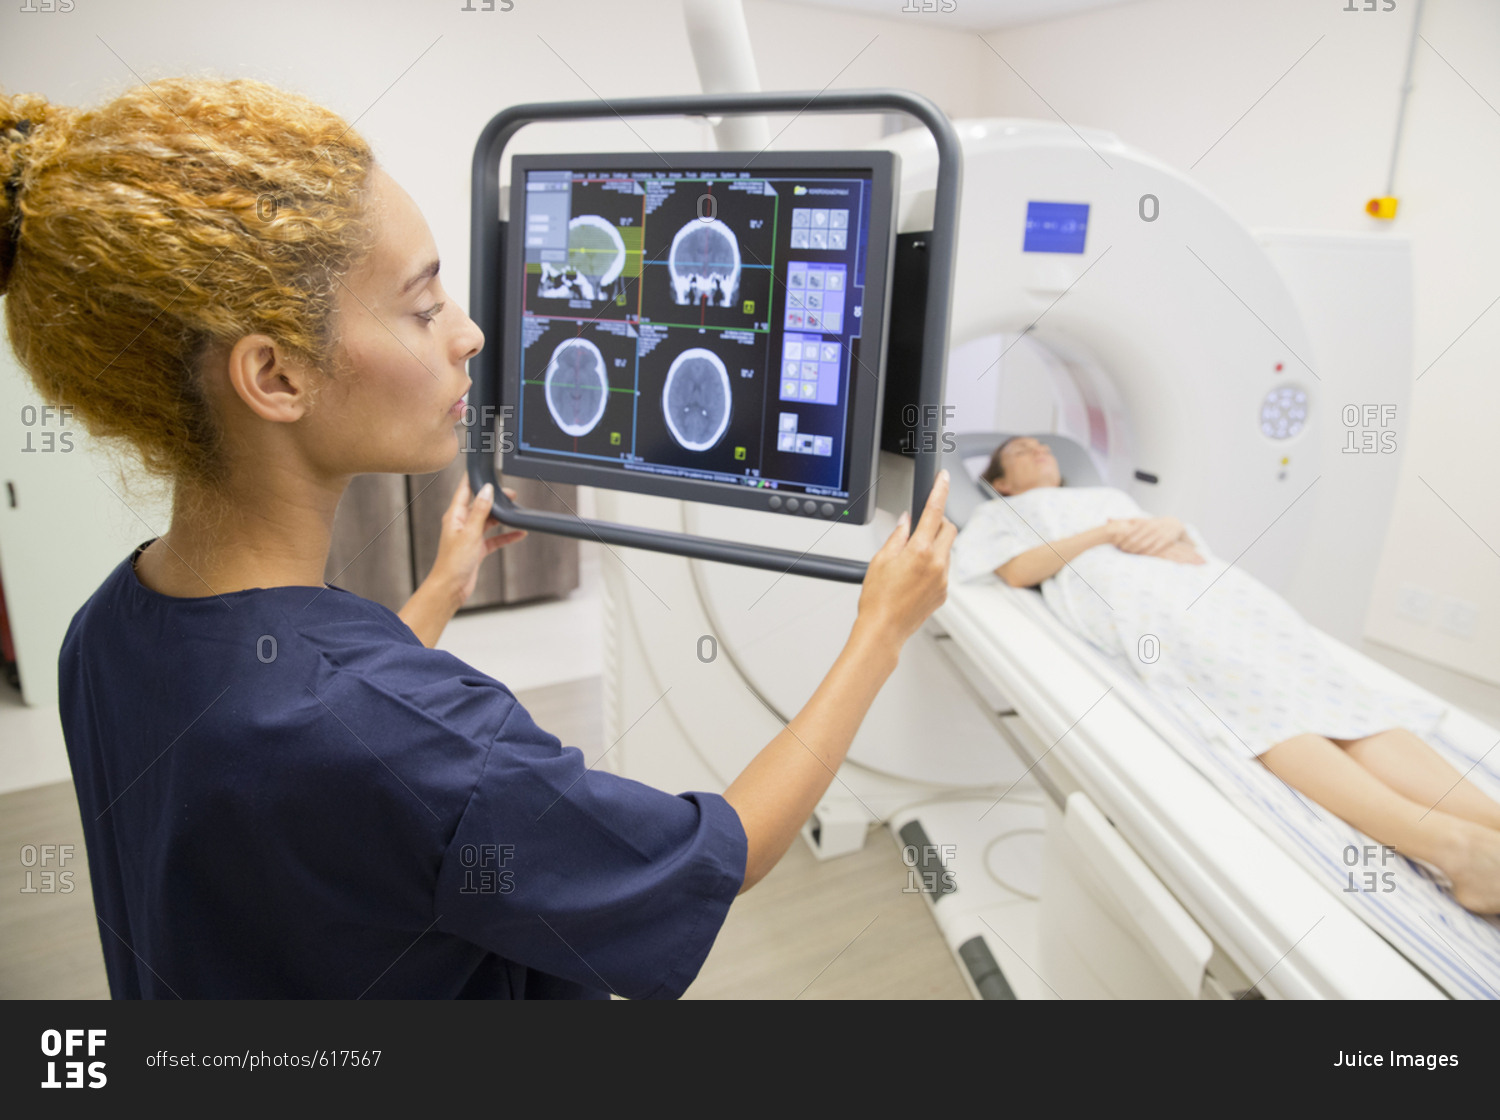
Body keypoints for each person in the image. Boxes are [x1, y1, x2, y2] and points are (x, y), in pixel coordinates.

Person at [0, 79, 957, 998]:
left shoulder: (104, 633)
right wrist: (881, 629)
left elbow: (307, 758)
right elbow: (729, 851)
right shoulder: (435, 748)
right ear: (276, 378)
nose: (471, 335)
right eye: (422, 308)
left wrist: (444, 586)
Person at [951, 435, 1500, 914]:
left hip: (1215, 587)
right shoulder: (1008, 512)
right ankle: (1450, 847)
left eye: (1042, 444)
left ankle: (1490, 821)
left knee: (1323, 684)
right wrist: (1105, 534)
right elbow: (1020, 569)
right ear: (1002, 482)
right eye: (1021, 450)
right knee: (1252, 691)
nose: (1040, 449)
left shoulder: (1109, 496)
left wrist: (1173, 528)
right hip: (1133, 592)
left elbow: (1182, 544)